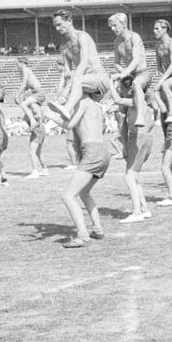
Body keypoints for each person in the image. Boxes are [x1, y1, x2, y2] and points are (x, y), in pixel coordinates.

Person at [59, 92, 111, 248]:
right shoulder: (95, 106)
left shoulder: (83, 103)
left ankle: (82, 235)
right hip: (102, 151)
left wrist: (49, 114)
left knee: (68, 196)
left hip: (92, 151)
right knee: (84, 192)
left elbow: (68, 125)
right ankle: (97, 228)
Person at [46, 9, 111, 123]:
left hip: (99, 78)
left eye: (59, 24)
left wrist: (67, 91)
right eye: (55, 26)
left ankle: (66, 109)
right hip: (84, 84)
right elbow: (67, 74)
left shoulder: (82, 36)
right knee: (81, 114)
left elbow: (84, 62)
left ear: (69, 21)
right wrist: (62, 94)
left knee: (76, 83)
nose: (57, 29)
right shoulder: (64, 48)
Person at [108, 79, 154, 223]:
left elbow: (117, 99)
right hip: (145, 137)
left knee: (129, 178)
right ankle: (144, 209)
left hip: (138, 137)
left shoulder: (136, 102)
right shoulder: (143, 105)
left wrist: (110, 83)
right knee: (133, 176)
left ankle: (137, 212)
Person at [108, 13, 151, 128]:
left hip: (142, 74)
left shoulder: (134, 37)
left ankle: (141, 117)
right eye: (111, 26)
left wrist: (123, 74)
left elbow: (136, 59)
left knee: (136, 83)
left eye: (115, 25)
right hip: (129, 76)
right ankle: (123, 142)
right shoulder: (117, 42)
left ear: (123, 24)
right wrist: (124, 73)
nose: (112, 29)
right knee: (121, 110)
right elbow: (116, 63)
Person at [16, 56, 46, 132]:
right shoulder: (24, 71)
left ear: (22, 63)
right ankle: (36, 124)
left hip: (39, 93)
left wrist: (17, 95)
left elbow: (24, 84)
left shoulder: (25, 69)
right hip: (36, 92)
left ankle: (33, 122)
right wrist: (22, 95)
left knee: (23, 105)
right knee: (32, 108)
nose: (17, 65)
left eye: (18, 63)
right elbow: (26, 86)